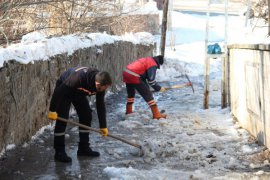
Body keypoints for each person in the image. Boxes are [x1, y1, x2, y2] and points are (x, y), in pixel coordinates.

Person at [47, 66, 112, 163]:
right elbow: (59, 92)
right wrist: (52, 110)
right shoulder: (78, 78)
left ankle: (83, 148)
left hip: (78, 91)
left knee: (86, 115)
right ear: (98, 83)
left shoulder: (100, 85)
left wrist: (103, 126)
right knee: (62, 118)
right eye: (104, 87)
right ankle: (59, 152)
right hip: (65, 89)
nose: (105, 90)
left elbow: (100, 105)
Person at [122, 55, 167, 119]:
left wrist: (148, 89)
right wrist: (159, 88)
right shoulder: (152, 64)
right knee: (148, 95)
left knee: (131, 94)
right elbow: (151, 81)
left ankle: (128, 111)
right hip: (134, 75)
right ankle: (157, 115)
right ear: (159, 63)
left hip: (126, 72)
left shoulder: (148, 59)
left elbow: (143, 78)